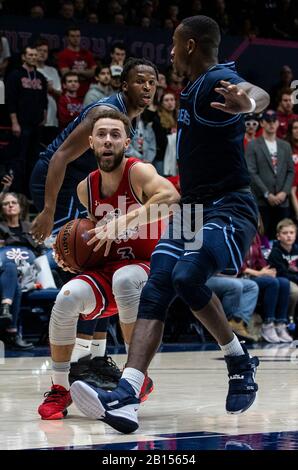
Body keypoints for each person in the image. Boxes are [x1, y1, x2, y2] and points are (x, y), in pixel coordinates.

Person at [70, 15, 269, 434]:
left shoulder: (219, 79)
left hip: (228, 208)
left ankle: (237, 359)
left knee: (186, 276)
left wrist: (248, 104)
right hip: (193, 208)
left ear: (192, 45)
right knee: (158, 285)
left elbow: (257, 94)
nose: (172, 52)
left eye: (176, 45)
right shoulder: (192, 87)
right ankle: (127, 393)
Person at [38, 109, 179, 419]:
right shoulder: (84, 189)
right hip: (109, 270)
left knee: (127, 279)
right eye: (101, 134)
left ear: (126, 142)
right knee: (66, 298)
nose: (108, 140)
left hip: (146, 266)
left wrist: (123, 221)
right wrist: (69, 253)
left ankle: (134, 378)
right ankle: (60, 388)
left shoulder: (137, 172)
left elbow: (171, 197)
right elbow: (94, 238)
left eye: (115, 134)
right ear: (91, 142)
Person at [30, 57, 158, 239]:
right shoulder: (104, 114)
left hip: (80, 181)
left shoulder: (130, 116)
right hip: (56, 177)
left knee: (94, 244)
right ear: (124, 86)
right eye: (140, 81)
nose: (147, 87)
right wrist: (48, 211)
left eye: (151, 83)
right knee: (74, 248)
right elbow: (60, 157)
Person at [245, 109, 294, 240]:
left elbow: (291, 171)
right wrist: (267, 194)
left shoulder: (286, 145)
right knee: (262, 237)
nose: (272, 124)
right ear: (262, 123)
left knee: (283, 236)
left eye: (274, 121)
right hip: (262, 200)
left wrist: (284, 192)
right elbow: (251, 172)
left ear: (278, 123)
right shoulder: (253, 145)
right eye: (268, 121)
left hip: (282, 201)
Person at [0, 192, 40, 349]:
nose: (10, 205)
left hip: (29, 274)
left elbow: (42, 251)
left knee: (15, 281)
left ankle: (6, 311)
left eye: (13, 202)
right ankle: (12, 332)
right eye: (6, 203)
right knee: (10, 269)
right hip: (3, 272)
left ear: (21, 206)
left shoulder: (31, 228)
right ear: (2, 208)